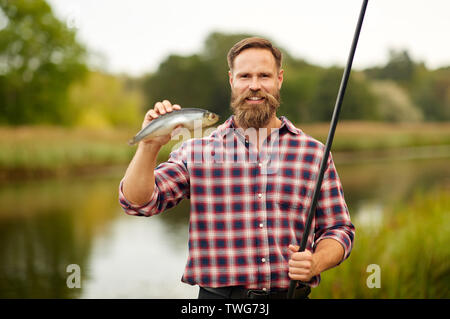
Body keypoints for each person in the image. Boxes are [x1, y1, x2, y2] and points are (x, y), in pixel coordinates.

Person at [119, 37, 355, 299]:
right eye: (245, 76)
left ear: (279, 79)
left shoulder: (314, 154)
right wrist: (148, 146)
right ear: (232, 81)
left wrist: (317, 261)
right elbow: (138, 203)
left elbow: (339, 229)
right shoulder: (197, 152)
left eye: (264, 75)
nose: (254, 86)